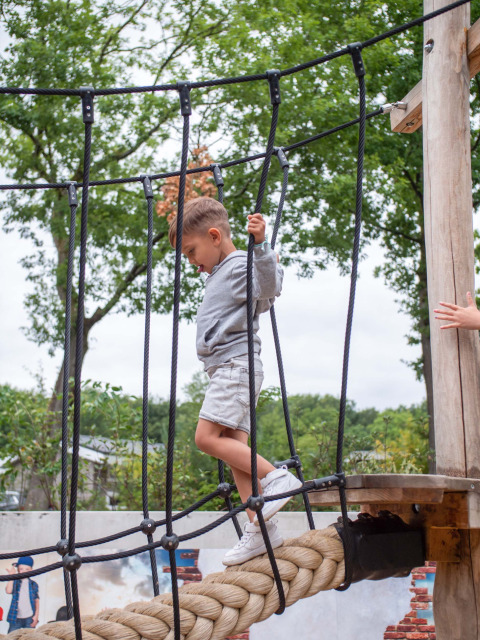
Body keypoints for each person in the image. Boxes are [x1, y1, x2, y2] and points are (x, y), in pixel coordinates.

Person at [168, 197, 302, 566]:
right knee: (236, 457)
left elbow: (270, 284)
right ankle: (261, 529)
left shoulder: (240, 263)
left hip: (235, 367)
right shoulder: (219, 272)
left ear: (214, 236)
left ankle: (277, 479)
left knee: (206, 439)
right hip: (226, 370)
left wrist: (260, 246)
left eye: (192, 251)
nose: (193, 262)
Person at [5, 556, 39, 632]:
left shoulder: (33, 584)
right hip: (15, 617)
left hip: (29, 617)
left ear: (31, 570)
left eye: (27, 569)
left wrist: (36, 616)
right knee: (11, 636)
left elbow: (36, 600)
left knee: (30, 637)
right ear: (18, 570)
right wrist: (11, 576)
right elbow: (8, 591)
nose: (24, 571)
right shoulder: (15, 582)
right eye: (21, 569)